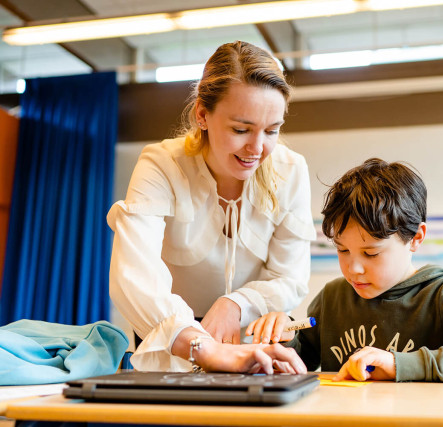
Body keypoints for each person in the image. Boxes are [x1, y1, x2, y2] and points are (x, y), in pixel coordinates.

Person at [107, 41, 315, 373]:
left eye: (272, 131)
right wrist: (200, 346)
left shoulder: (291, 170)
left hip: (251, 336)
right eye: (241, 129)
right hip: (172, 335)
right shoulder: (161, 165)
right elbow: (134, 273)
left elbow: (289, 277)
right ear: (202, 114)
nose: (257, 148)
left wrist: (237, 303)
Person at [246, 158, 443, 382]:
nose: (354, 268)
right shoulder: (334, 297)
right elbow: (302, 361)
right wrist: (284, 338)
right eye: (342, 250)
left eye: (371, 253)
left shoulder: (442, 295)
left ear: (416, 238)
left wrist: (402, 365)